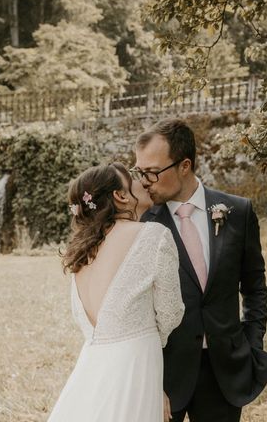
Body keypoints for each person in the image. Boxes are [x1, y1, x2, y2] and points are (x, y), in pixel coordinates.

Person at [134, 118, 267, 422]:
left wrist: (252, 343)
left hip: (224, 369)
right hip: (164, 373)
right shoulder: (141, 225)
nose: (144, 181)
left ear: (185, 166)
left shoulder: (238, 212)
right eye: (139, 172)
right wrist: (149, 376)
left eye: (152, 172)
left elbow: (254, 287)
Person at [48, 162, 184, 422]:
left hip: (93, 372)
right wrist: (151, 341)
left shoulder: (82, 252)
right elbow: (171, 312)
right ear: (120, 196)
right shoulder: (154, 235)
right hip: (136, 365)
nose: (142, 182)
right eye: (133, 179)